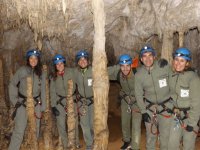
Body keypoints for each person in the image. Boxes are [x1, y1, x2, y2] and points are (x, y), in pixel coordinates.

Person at [135, 46, 173, 150]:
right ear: (141, 59)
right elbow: (138, 94)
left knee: (165, 136)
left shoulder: (163, 67)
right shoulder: (139, 75)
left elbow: (174, 82)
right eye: (144, 56)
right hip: (150, 109)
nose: (148, 59)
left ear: (154, 56)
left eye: (150, 55)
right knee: (151, 136)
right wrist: (143, 112)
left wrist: (173, 103)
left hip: (166, 107)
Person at [8, 49, 46, 150]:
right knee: (19, 131)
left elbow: (43, 90)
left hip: (36, 104)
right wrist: (15, 100)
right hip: (22, 104)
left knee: (36, 130)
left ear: (38, 60)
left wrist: (43, 106)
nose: (33, 60)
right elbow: (12, 84)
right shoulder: (22, 70)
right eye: (31, 58)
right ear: (28, 60)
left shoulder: (41, 73)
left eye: (35, 58)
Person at [168, 47, 200, 150]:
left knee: (188, 146)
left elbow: (197, 103)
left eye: (182, 60)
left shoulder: (193, 78)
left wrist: (192, 123)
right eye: (176, 59)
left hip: (190, 116)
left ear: (187, 63)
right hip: (176, 115)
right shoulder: (172, 75)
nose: (178, 63)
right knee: (172, 145)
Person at [108, 54, 142, 150]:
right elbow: (103, 71)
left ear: (131, 65)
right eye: (122, 66)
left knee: (136, 125)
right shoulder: (118, 73)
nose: (125, 69)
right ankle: (127, 142)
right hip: (125, 100)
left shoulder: (137, 73)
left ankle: (135, 147)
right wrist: (116, 67)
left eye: (127, 66)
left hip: (137, 101)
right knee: (125, 122)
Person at [50, 54, 81, 149]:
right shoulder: (54, 77)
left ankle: (75, 142)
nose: (59, 65)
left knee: (74, 123)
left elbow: (81, 78)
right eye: (57, 64)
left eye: (61, 63)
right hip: (60, 102)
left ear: (64, 63)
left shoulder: (72, 72)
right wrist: (53, 106)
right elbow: (52, 91)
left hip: (72, 100)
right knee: (61, 125)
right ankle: (66, 143)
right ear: (55, 66)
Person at [73, 50, 94, 150]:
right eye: (80, 60)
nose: (82, 62)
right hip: (82, 103)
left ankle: (95, 141)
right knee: (84, 125)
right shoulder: (75, 72)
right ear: (78, 62)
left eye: (84, 59)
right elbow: (65, 73)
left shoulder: (93, 70)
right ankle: (89, 145)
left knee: (92, 124)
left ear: (88, 61)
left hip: (93, 101)